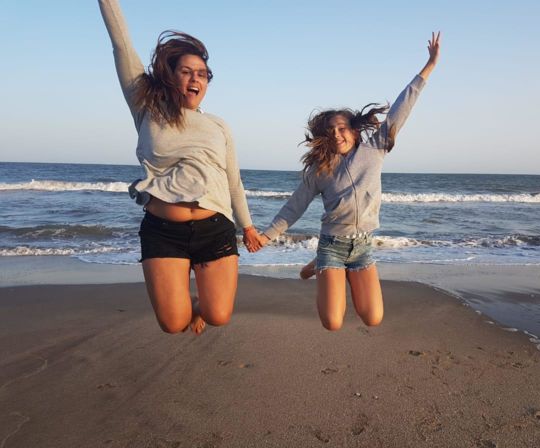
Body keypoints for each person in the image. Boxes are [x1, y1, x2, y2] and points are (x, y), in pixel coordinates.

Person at [257, 32, 441, 331]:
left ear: (354, 131)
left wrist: (429, 66)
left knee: (373, 318)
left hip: (363, 246)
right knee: (332, 322)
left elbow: (401, 108)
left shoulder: (375, 149)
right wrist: (267, 236)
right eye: (330, 131)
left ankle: (317, 266)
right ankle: (321, 263)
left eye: (342, 128)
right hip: (332, 245)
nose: (337, 134)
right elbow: (294, 206)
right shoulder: (320, 168)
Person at [98, 0, 261, 335]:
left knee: (218, 315)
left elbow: (233, 180)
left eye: (201, 74)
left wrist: (247, 226)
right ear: (169, 76)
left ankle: (199, 304)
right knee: (173, 324)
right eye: (186, 71)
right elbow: (121, 45)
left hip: (214, 228)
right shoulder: (148, 108)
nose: (194, 78)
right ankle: (188, 303)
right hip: (162, 231)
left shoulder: (218, 126)